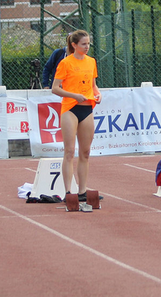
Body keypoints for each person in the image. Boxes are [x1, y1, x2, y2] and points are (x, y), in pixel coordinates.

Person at [51, 30, 102, 202]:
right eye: (83, 44)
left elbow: (93, 85)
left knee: (85, 152)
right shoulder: (65, 63)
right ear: (74, 45)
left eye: (88, 44)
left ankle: (82, 190)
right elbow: (55, 88)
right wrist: (74, 96)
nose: (87, 47)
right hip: (70, 108)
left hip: (87, 108)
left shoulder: (91, 62)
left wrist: (98, 94)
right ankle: (68, 192)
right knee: (69, 151)